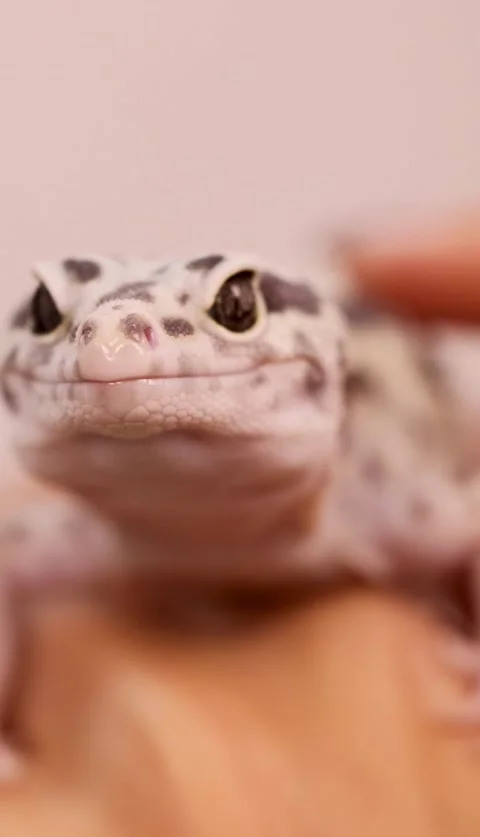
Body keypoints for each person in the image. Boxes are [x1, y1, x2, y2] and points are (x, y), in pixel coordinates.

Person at [2, 210, 480, 836]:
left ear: (326, 375)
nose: (109, 346)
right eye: (49, 316)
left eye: (232, 308)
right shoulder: (51, 537)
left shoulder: (400, 500)